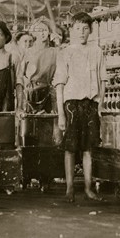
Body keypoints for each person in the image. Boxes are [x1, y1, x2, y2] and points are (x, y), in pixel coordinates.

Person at [53, 12, 107, 203]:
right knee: (70, 148)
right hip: (71, 105)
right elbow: (59, 85)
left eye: (85, 28)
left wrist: (100, 105)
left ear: (90, 30)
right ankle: (69, 189)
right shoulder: (65, 53)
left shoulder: (97, 51)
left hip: (90, 104)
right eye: (78, 29)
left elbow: (103, 80)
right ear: (71, 30)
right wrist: (61, 114)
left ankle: (88, 188)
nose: (82, 32)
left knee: (88, 149)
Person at [16, 17, 58, 117]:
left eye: (44, 30)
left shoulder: (55, 52)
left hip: (48, 94)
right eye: (38, 31)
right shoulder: (27, 52)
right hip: (30, 95)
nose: (42, 33)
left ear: (49, 32)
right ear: (34, 34)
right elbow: (20, 77)